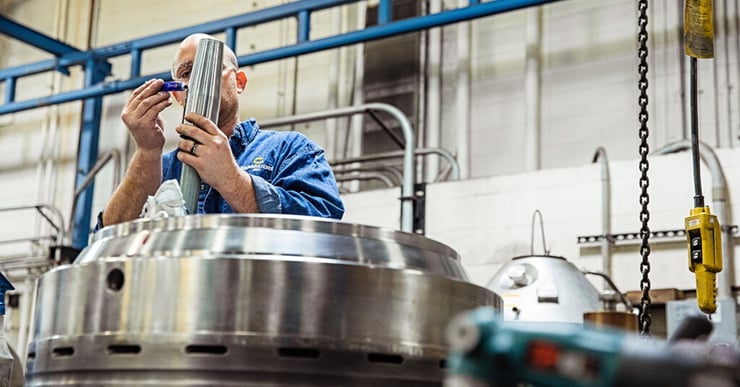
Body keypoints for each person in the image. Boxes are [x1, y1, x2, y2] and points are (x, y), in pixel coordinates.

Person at [97, 33, 344, 229]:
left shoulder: (289, 150)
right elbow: (108, 238)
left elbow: (324, 221)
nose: (197, 80)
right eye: (186, 73)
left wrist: (231, 180)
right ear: (176, 93)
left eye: (210, 66)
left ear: (239, 82)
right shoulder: (158, 167)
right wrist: (147, 151)